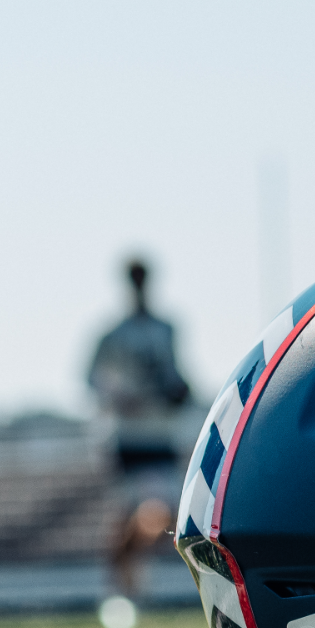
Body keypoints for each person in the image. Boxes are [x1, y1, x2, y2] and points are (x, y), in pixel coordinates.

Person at [88, 259, 191, 606]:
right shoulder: (114, 335)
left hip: (161, 434)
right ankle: (121, 586)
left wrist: (179, 392)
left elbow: (176, 376)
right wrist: (121, 398)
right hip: (129, 437)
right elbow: (94, 380)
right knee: (135, 512)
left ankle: (127, 582)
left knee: (159, 512)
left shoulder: (166, 329)